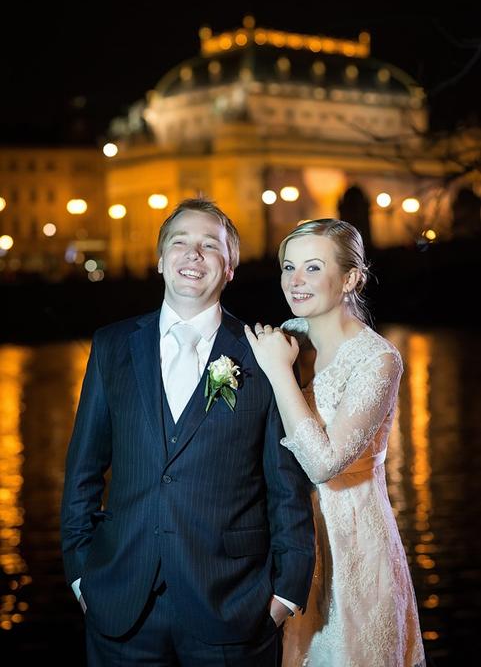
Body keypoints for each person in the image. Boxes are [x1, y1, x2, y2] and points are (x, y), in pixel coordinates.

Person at [60, 198, 315, 667]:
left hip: (233, 605)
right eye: (180, 242)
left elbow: (287, 485)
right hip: (120, 601)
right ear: (161, 260)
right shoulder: (111, 345)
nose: (193, 255)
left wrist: (285, 593)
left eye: (210, 245)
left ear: (230, 267)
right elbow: (83, 470)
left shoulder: (264, 354)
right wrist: (80, 575)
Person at [245, 218, 426, 667]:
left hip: (351, 541)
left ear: (350, 278)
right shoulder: (287, 336)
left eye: (312, 267)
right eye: (289, 267)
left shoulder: (378, 359)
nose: (295, 281)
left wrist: (279, 372)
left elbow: (323, 464)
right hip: (288, 532)